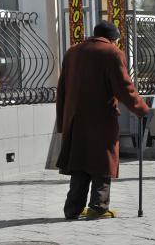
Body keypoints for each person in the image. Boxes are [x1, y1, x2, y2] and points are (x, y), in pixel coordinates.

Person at [56, 20, 150, 219]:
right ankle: (98, 207)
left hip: (74, 119)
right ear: (112, 39)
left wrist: (62, 122)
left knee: (79, 162)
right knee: (103, 161)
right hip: (101, 118)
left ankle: (72, 209)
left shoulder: (73, 52)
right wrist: (141, 109)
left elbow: (62, 89)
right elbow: (124, 88)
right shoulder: (112, 53)